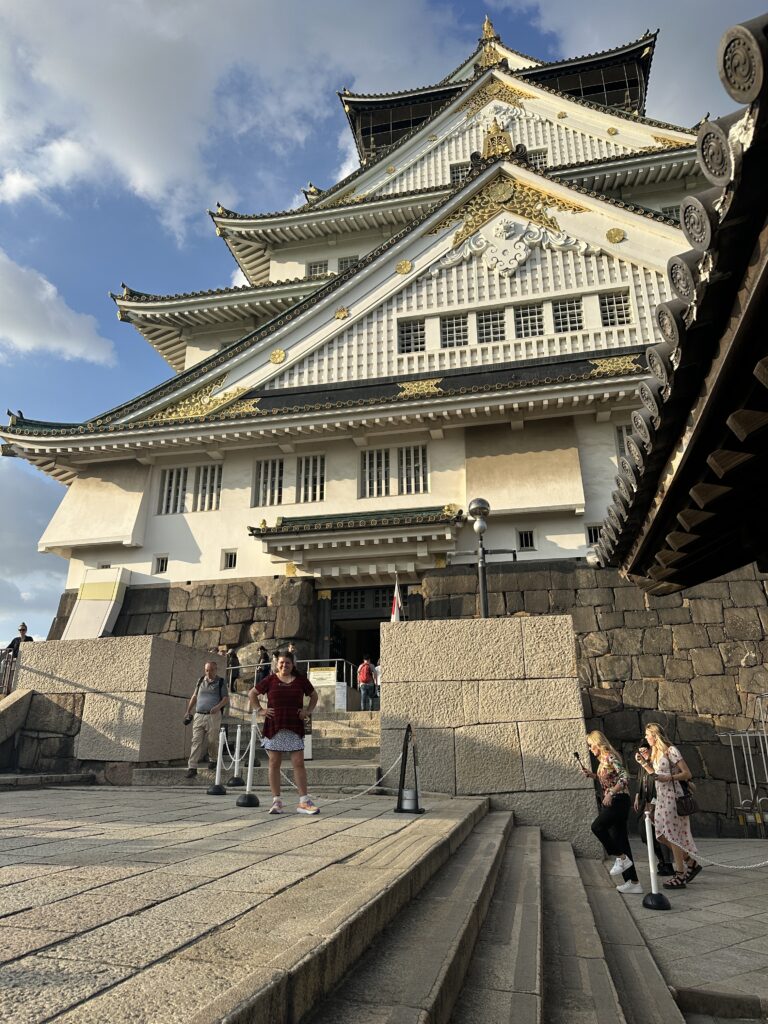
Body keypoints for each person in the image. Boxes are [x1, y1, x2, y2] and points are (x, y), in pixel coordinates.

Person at [249, 650, 319, 815]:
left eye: (287, 662)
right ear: (277, 664)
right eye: (281, 662)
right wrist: (260, 710)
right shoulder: (270, 680)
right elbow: (252, 693)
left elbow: (314, 696)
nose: (284, 665)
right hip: (275, 726)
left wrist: (307, 711)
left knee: (298, 763)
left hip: (294, 725)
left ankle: (303, 801)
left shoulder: (301, 680)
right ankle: (276, 801)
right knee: (274, 763)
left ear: (292, 664)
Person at [638, 723, 702, 889]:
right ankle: (690, 862)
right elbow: (655, 775)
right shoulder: (655, 753)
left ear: (655, 735)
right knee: (660, 835)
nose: (645, 738)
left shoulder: (670, 750)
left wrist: (669, 778)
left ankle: (680, 875)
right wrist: (645, 764)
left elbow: (687, 773)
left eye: (647, 735)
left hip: (673, 798)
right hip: (661, 798)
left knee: (673, 835)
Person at [579, 730, 642, 894]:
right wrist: (593, 775)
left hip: (618, 801)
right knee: (621, 840)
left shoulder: (610, 757)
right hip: (615, 801)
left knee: (597, 827)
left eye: (591, 746)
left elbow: (624, 777)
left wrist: (611, 793)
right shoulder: (603, 761)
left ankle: (621, 858)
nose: (590, 749)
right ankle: (633, 882)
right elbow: (610, 779)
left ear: (598, 744)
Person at [634, 740, 674, 876]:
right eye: (640, 752)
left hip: (658, 802)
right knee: (644, 833)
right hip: (645, 802)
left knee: (660, 834)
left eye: (645, 751)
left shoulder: (656, 763)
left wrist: (655, 802)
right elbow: (640, 780)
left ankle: (668, 863)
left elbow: (658, 780)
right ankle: (662, 859)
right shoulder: (642, 765)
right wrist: (637, 796)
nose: (643, 754)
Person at [184, 661, 229, 778]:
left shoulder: (221, 682)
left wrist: (217, 707)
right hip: (199, 715)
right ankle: (192, 767)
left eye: (211, 670)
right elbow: (194, 696)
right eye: (207, 670)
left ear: (216, 669)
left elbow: (225, 698)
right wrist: (188, 711)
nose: (209, 673)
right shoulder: (200, 681)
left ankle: (213, 759)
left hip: (213, 716)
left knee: (212, 740)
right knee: (196, 741)